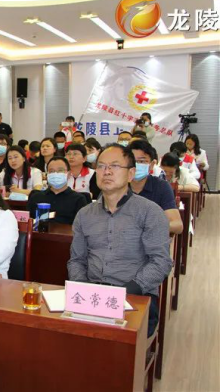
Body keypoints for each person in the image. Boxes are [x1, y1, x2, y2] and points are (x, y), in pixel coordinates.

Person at [68, 144, 172, 337]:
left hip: (136, 296)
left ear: (131, 174)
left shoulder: (150, 212)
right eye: (101, 166)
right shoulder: (84, 214)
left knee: (111, 342)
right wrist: (81, 288)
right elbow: (77, 260)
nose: (106, 172)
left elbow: (161, 262)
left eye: (114, 166)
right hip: (92, 295)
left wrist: (128, 290)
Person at [128, 141, 183, 234]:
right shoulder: (117, 186)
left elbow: (177, 225)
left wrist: (148, 227)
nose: (136, 166)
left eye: (141, 161)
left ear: (152, 165)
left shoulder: (162, 186)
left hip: (151, 239)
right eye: (132, 161)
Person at [27, 157, 88, 225]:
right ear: (47, 175)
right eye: (51, 171)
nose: (56, 174)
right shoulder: (36, 197)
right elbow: (28, 222)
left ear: (69, 174)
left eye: (60, 170)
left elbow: (82, 226)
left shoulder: (78, 199)